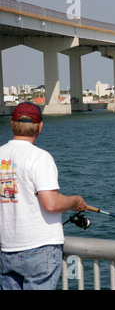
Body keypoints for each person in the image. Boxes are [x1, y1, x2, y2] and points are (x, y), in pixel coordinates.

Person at [0, 102, 87, 290]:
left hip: (7, 249)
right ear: (40, 126)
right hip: (39, 249)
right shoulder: (39, 157)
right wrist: (75, 201)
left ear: (11, 124)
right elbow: (51, 203)